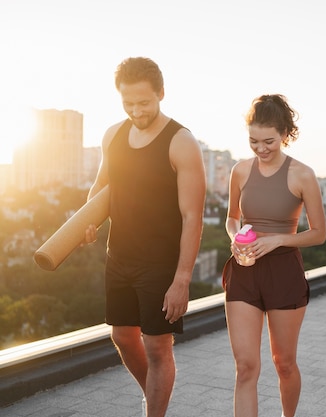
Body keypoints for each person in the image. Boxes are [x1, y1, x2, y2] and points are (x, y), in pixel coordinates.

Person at [85, 57, 206, 417]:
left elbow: (192, 216)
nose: (136, 111)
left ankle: (155, 409)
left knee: (157, 348)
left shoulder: (181, 142)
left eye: (144, 102)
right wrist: (85, 222)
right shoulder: (113, 135)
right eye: (128, 103)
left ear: (161, 94)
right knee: (121, 337)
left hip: (160, 264)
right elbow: (101, 186)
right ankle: (154, 397)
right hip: (118, 255)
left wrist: (182, 279)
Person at [222, 94, 326, 417]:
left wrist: (279, 240)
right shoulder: (240, 171)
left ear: (284, 133)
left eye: (268, 141)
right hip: (244, 269)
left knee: (284, 363)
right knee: (246, 366)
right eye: (253, 141)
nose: (261, 148)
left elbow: (318, 233)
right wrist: (234, 237)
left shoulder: (302, 175)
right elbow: (231, 217)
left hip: (284, 273)